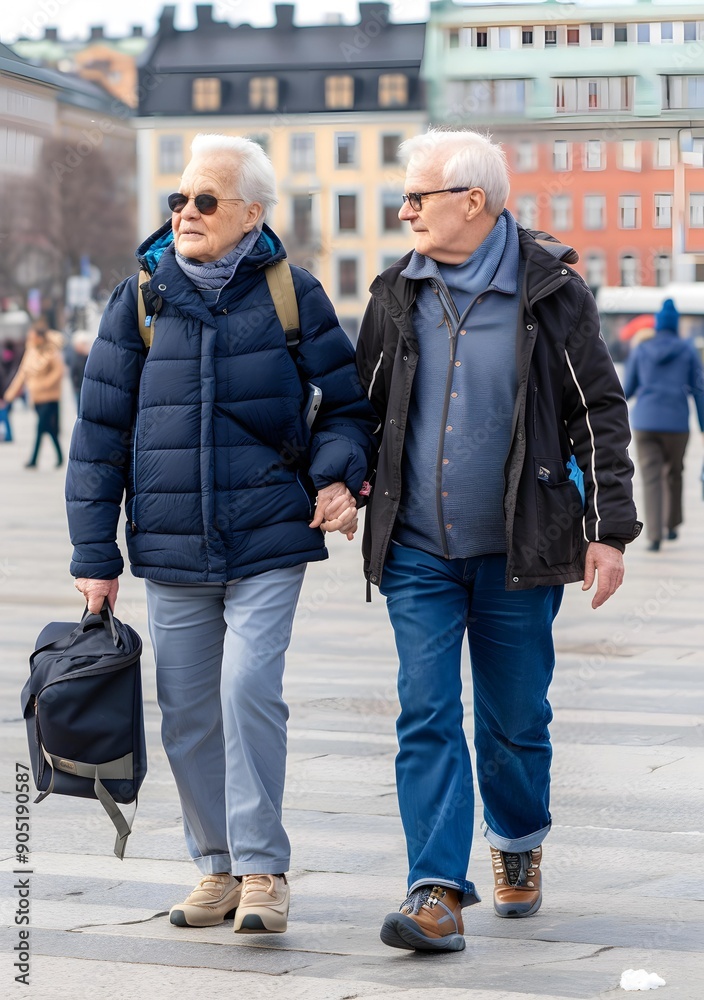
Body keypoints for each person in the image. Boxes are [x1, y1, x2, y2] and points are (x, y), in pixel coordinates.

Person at [66, 134, 376, 936]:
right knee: (188, 709)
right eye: (179, 199)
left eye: (205, 200)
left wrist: (339, 474)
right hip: (171, 544)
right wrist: (94, 556)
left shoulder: (290, 293)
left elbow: (344, 407)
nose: (185, 212)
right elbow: (99, 434)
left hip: (269, 533)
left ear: (250, 214)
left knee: (247, 689)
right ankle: (217, 867)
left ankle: (265, 869)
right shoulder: (138, 298)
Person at [355, 129, 641, 953]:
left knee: (514, 719)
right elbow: (361, 409)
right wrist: (342, 479)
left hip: (522, 547)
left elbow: (598, 412)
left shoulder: (551, 294)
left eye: (418, 195)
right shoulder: (395, 293)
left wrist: (609, 530)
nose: (404, 209)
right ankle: (436, 888)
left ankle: (517, 840)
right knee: (426, 708)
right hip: (415, 550)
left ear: (471, 202)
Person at [623, 298, 704, 551]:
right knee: (674, 472)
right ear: (676, 324)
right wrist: (702, 425)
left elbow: (627, 389)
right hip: (677, 423)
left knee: (651, 478)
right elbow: (699, 390)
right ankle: (672, 525)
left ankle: (654, 535)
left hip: (645, 422)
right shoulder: (688, 350)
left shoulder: (641, 350)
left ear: (657, 324)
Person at [2, 320, 65, 467]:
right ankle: (60, 457)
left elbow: (58, 372)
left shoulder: (51, 351)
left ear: (40, 337)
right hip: (36, 398)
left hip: (50, 398)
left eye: (32, 335)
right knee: (49, 429)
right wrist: (9, 394)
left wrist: (43, 385)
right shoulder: (31, 351)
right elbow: (22, 374)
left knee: (41, 428)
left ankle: (33, 460)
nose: (30, 338)